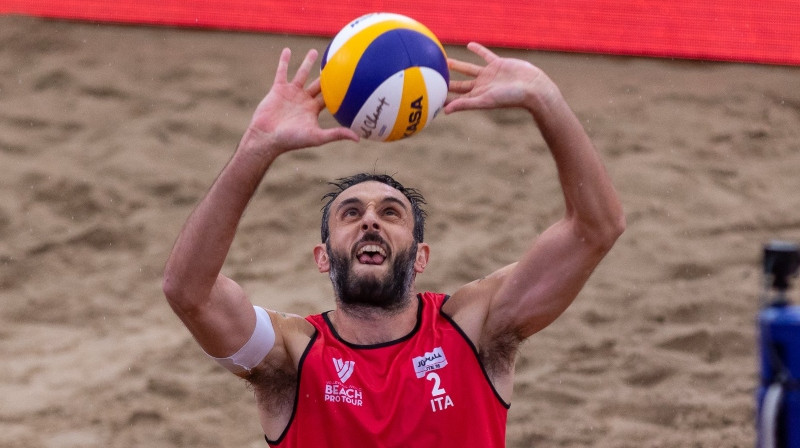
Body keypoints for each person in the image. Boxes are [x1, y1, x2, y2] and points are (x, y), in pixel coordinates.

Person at [163, 42, 625, 447]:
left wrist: (545, 99)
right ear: (322, 257)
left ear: (421, 255)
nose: (370, 222)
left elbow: (596, 229)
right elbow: (189, 292)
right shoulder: (294, 356)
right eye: (350, 214)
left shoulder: (473, 329)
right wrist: (257, 147)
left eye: (390, 213)